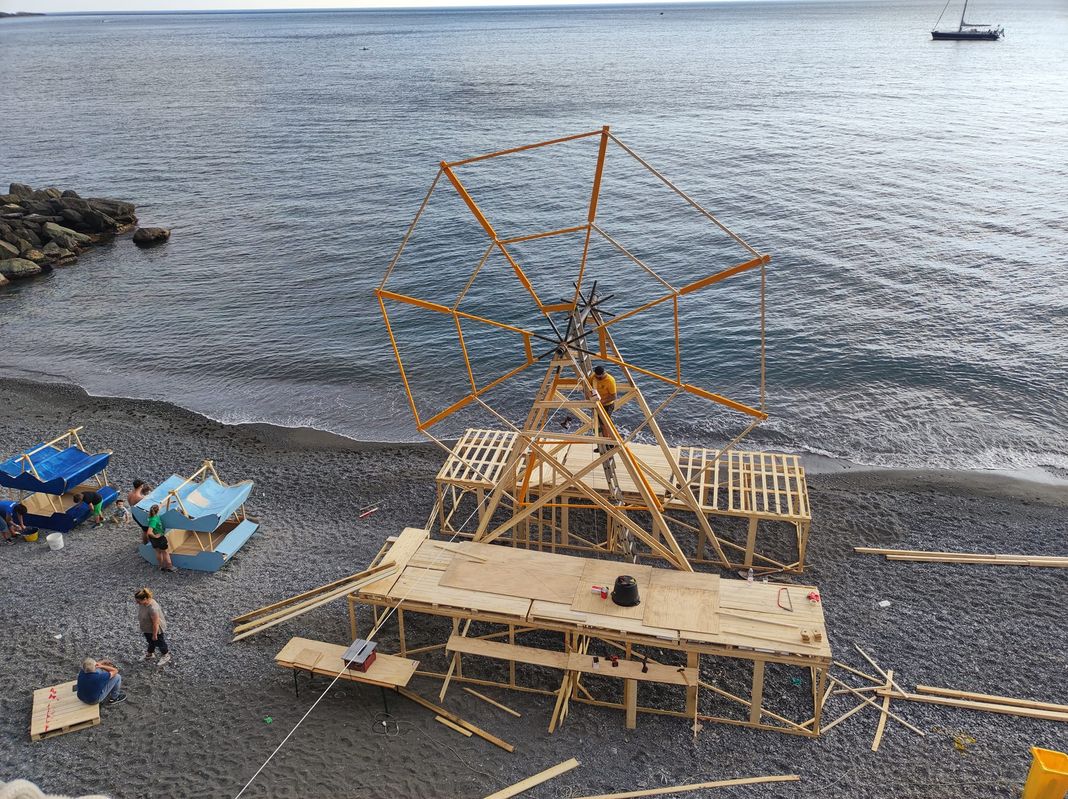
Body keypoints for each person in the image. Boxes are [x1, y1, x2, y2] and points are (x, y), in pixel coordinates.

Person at [134, 587, 171, 666]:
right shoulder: (144, 602)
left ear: (145, 599)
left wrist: (155, 635)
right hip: (147, 628)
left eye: (138, 601)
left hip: (155, 629)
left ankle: (166, 655)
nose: (137, 603)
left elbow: (156, 623)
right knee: (150, 642)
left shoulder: (152, 608)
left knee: (160, 643)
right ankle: (150, 654)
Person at [146, 504, 174, 572]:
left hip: (153, 539)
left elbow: (160, 506)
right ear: (157, 511)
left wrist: (169, 502)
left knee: (158, 552)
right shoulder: (154, 519)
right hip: (158, 538)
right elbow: (149, 532)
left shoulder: (152, 516)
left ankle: (161, 566)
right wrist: (155, 536)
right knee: (165, 552)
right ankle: (170, 567)